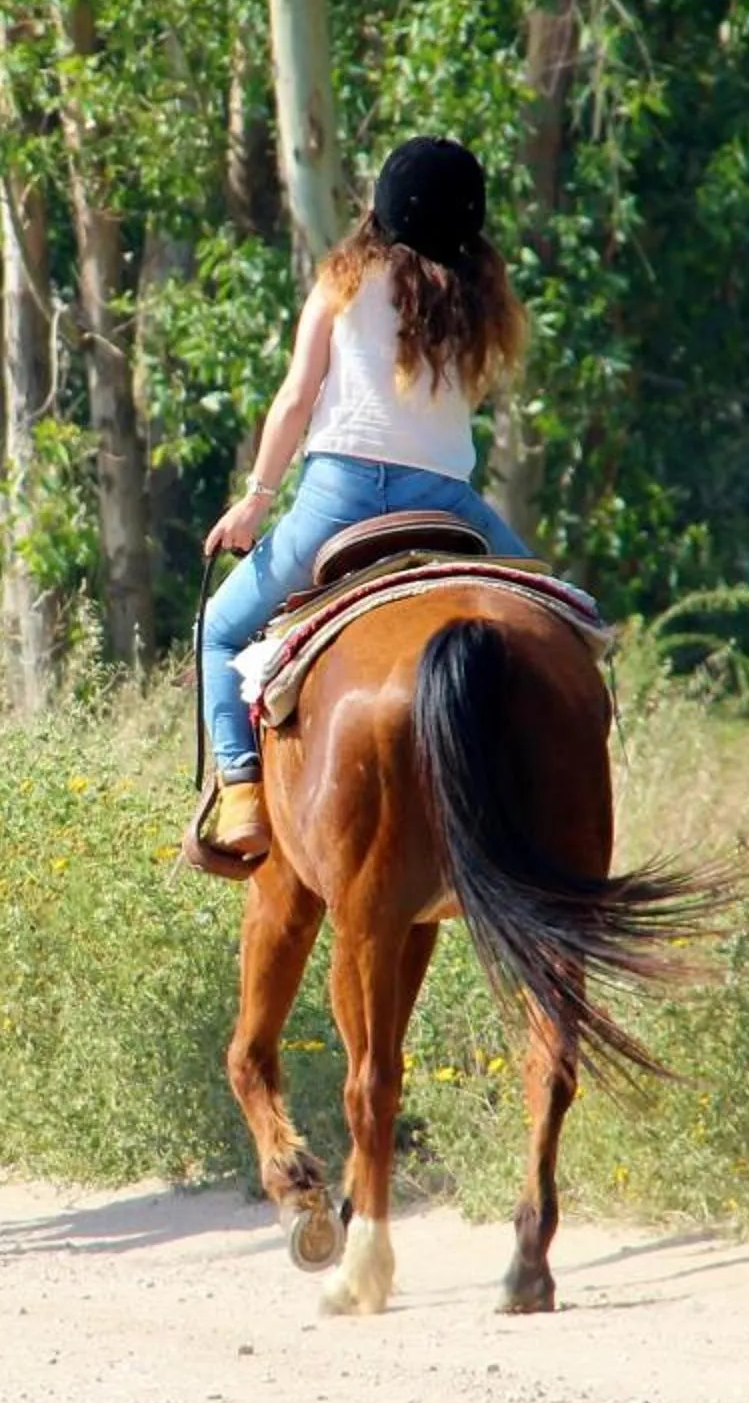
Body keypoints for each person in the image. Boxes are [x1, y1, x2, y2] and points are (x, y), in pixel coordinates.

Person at [193, 136, 531, 863]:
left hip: (339, 496)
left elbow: (294, 401)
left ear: (381, 207)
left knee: (219, 633)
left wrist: (255, 500)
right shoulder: (477, 300)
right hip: (448, 502)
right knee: (563, 615)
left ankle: (244, 794)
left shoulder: (343, 281)